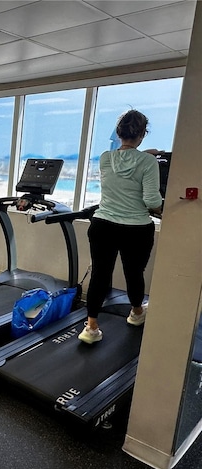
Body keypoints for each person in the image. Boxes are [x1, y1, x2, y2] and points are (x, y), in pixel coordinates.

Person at [78, 110, 163, 344]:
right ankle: (136, 313)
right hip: (135, 229)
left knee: (100, 274)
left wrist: (143, 157)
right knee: (133, 273)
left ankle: (91, 327)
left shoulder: (106, 158)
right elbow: (152, 202)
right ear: (143, 134)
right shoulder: (148, 162)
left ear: (119, 132)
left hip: (102, 224)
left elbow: (124, 163)